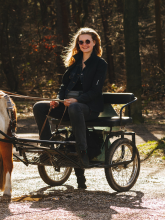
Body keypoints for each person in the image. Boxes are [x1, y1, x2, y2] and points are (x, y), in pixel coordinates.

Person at [33, 27, 107, 189]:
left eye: (88, 41)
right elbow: (63, 87)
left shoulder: (100, 64)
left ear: (94, 43)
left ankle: (82, 152)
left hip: (89, 108)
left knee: (75, 108)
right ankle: (47, 149)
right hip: (70, 106)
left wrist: (77, 100)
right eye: (81, 42)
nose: (84, 44)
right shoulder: (73, 63)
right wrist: (58, 101)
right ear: (78, 44)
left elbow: (95, 91)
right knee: (39, 107)